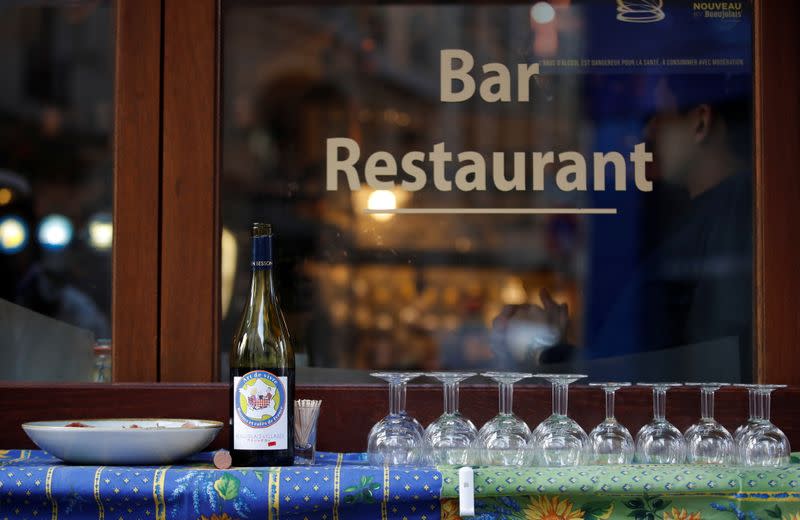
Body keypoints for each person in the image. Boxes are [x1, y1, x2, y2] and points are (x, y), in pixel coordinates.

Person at [491, 74, 752, 374]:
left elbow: (704, 371)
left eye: (659, 116)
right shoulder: (711, 216)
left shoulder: (732, 218)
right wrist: (557, 348)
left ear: (700, 123)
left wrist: (550, 352)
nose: (648, 131)